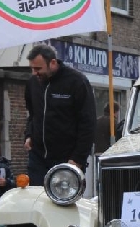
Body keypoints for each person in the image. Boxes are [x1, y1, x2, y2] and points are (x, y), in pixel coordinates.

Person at [24, 44, 97, 184]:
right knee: (36, 196)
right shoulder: (33, 83)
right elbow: (32, 114)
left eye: (38, 69)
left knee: (61, 198)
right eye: (32, 68)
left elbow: (88, 123)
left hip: (66, 159)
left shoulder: (77, 82)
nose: (34, 73)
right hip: (38, 158)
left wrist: (78, 159)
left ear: (52, 62)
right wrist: (29, 134)